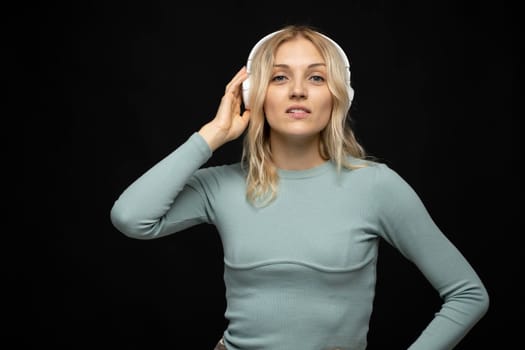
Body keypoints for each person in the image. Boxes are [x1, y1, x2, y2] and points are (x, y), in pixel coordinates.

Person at [110, 24, 489, 350]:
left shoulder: (376, 186)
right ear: (253, 95)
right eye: (279, 77)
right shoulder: (220, 185)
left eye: (316, 77)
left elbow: (468, 294)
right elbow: (131, 218)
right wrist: (212, 135)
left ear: (338, 96)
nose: (297, 91)